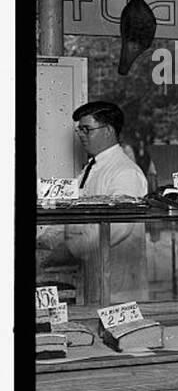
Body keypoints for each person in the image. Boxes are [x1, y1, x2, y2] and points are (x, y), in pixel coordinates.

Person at [63, 101, 148, 303]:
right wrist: (46, 241)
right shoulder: (90, 169)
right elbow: (68, 208)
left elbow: (119, 227)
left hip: (119, 284)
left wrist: (69, 249)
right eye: (79, 130)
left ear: (108, 130)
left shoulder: (125, 172)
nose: (81, 135)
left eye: (87, 129)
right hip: (95, 273)